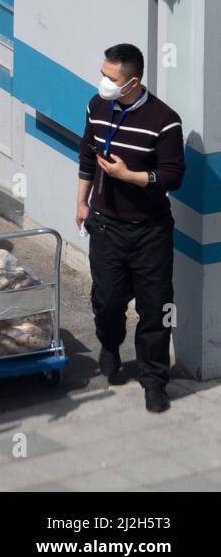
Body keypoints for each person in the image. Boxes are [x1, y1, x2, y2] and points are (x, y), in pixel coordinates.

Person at [76, 44, 185, 413]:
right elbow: (87, 152)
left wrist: (130, 176)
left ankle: (155, 382)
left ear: (132, 82)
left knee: (155, 310)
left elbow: (173, 176)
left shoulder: (165, 120)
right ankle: (110, 344)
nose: (103, 82)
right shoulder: (97, 106)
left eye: (111, 78)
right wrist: (81, 201)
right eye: (102, 74)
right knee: (107, 301)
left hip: (150, 231)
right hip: (105, 225)